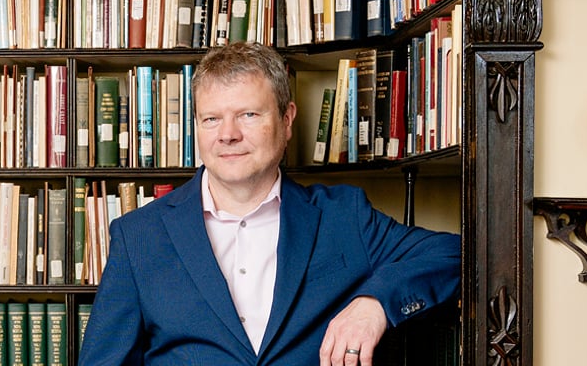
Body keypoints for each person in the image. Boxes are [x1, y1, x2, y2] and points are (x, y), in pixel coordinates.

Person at [78, 42, 461, 366]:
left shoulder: (344, 216)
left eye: (248, 114)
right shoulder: (139, 236)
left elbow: (454, 253)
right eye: (211, 119)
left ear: (287, 119)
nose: (227, 135)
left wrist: (374, 303)